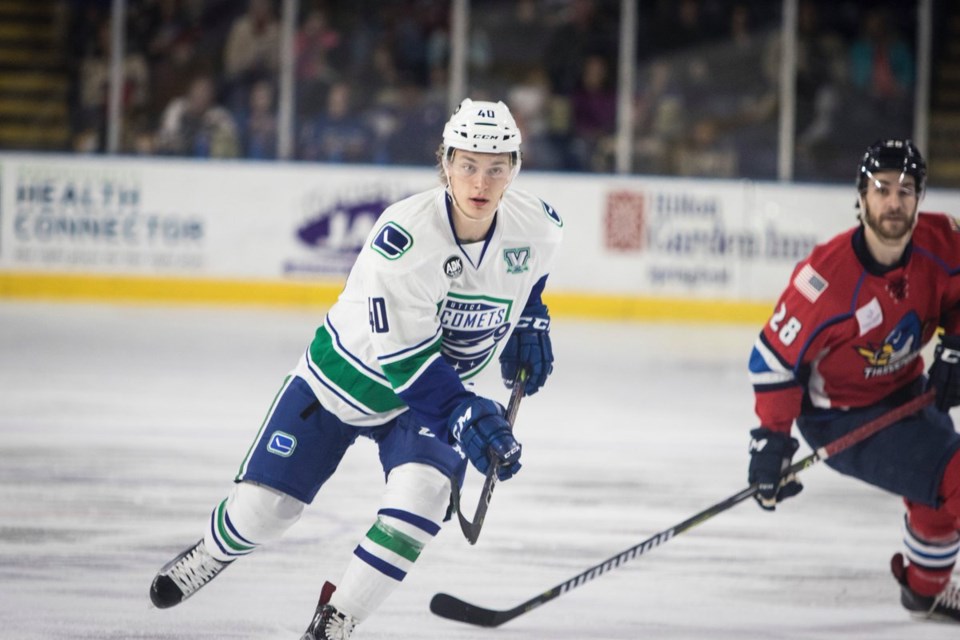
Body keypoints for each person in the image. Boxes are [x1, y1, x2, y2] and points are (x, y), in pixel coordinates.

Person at [148, 98, 564, 639]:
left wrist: (530, 317)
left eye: (495, 167)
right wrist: (465, 414)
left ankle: (335, 620)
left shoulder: (539, 225)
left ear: (514, 169)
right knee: (267, 512)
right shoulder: (406, 240)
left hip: (432, 395)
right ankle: (214, 549)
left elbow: (531, 273)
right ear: (445, 164)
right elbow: (406, 362)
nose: (480, 181)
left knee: (423, 497)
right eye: (467, 165)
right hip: (344, 382)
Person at [747, 139, 960, 623]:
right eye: (882, 188)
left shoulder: (943, 241)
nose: (893, 201)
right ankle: (925, 587)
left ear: (920, 198)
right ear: (861, 195)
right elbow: (774, 361)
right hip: (842, 420)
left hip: (908, 392)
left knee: (940, 490)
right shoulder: (824, 279)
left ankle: (924, 590)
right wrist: (771, 443)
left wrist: (956, 344)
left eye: (906, 190)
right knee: (954, 476)